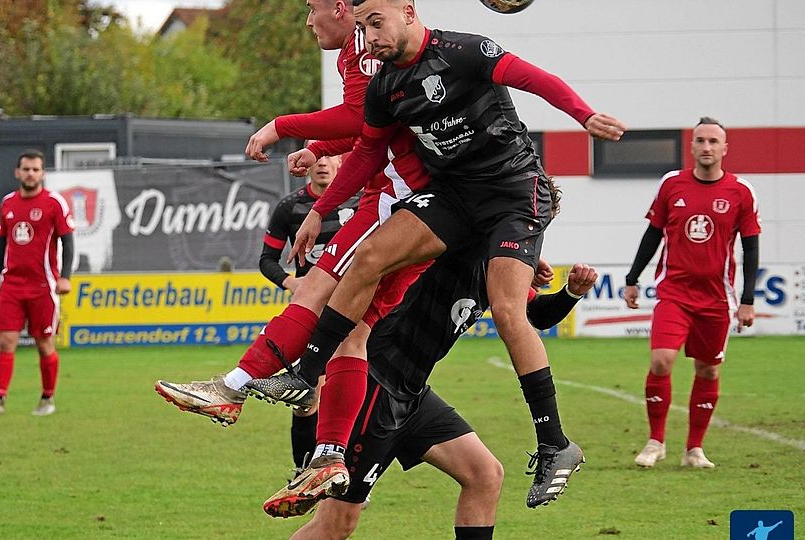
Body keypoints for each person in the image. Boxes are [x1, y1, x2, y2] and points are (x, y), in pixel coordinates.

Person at [265, 0, 626, 509]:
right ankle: (305, 376)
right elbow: (366, 152)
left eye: (377, 22)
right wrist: (318, 210)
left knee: (505, 308)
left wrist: (582, 114)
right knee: (366, 259)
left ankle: (554, 443)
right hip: (456, 198)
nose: (370, 35)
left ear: (408, 13)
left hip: (510, 190)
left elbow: (535, 79)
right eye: (363, 26)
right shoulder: (386, 86)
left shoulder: (464, 50)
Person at [155, 0, 433, 473]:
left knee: (319, 287)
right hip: (419, 203)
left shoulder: (365, 46)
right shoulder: (378, 47)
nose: (308, 21)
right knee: (353, 333)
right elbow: (372, 132)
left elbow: (360, 123)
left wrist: (281, 127)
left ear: (341, 9)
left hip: (397, 200)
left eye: (311, 8)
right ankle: (328, 456)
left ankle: (233, 387)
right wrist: (319, 157)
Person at [270, 247, 599, 537]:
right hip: (373, 390)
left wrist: (571, 292)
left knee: (485, 474)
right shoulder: (452, 240)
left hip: (413, 395)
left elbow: (537, 315)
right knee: (335, 525)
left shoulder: (498, 268)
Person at [624, 117, 760, 468]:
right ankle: (655, 442)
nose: (707, 147)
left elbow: (751, 249)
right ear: (692, 146)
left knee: (708, 371)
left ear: (725, 148)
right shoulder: (671, 184)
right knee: (661, 360)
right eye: (700, 140)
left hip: (717, 298)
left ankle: (694, 449)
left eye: (714, 141)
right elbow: (652, 235)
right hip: (675, 293)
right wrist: (632, 277)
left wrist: (747, 300)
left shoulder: (741, 192)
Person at [259, 151, 361, 480]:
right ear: (303, 164)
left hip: (357, 313)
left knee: (352, 390)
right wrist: (292, 282)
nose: (321, 162)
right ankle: (303, 471)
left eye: (328, 155)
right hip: (315, 312)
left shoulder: (362, 202)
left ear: (342, 162)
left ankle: (350, 473)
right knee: (308, 397)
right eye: (315, 154)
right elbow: (267, 259)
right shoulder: (290, 208)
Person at [0, 149, 75, 417]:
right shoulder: (8, 203)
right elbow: (1, 243)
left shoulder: (54, 203)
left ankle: (47, 398)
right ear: (17, 172)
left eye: (36, 169)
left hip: (43, 286)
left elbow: (67, 241)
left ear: (43, 173)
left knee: (45, 344)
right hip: (11, 285)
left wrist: (65, 276)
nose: (30, 174)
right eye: (26, 169)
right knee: (6, 341)